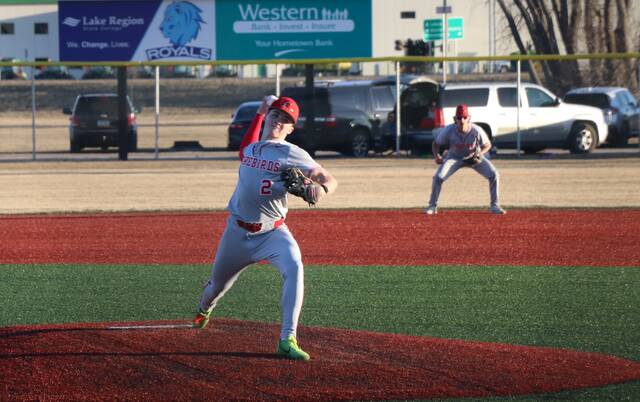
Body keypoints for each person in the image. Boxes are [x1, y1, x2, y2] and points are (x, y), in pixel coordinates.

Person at [192, 95, 338, 361]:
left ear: (291, 129)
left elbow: (327, 177)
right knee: (216, 287)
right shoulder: (252, 148)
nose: (279, 121)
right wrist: (261, 110)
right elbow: (245, 146)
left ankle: (287, 338)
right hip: (237, 233)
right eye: (276, 116)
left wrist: (322, 188)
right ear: (268, 118)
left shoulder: (293, 153)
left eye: (285, 120)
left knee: (295, 266)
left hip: (272, 233)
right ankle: (204, 309)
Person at [425, 103, 505, 215]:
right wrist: (437, 156)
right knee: (438, 177)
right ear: (455, 119)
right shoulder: (449, 130)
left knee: (494, 174)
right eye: (459, 117)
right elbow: (436, 143)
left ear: (469, 118)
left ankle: (495, 206)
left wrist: (480, 154)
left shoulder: (476, 130)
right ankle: (432, 206)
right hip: (454, 158)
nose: (462, 120)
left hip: (473, 157)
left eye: (464, 117)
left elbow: (487, 145)